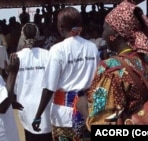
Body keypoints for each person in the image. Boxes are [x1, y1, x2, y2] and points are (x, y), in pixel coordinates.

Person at [86, 0, 148, 126]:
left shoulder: (110, 69)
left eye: (105, 29)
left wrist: (84, 113)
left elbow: (100, 120)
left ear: (114, 34)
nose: (103, 34)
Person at [32, 7, 100, 140]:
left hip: (63, 115)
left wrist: (38, 115)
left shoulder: (58, 50)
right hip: (89, 111)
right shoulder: (92, 47)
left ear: (60, 26)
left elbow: (49, 87)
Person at [6, 23, 52, 141]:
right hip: (46, 104)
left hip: (25, 105)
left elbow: (13, 84)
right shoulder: (48, 55)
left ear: (23, 36)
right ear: (38, 36)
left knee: (30, 136)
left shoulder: (16, 57)